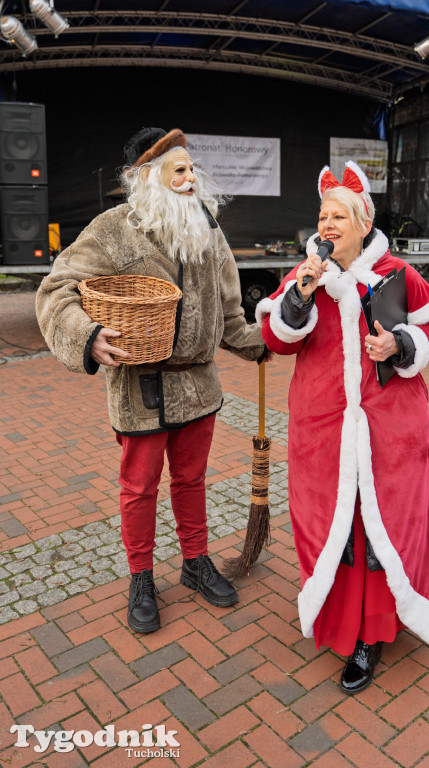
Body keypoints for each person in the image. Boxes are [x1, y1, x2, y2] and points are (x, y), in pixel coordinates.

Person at [36, 127, 265, 634]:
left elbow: (230, 318)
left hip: (199, 387)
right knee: (139, 488)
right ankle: (141, 576)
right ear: (147, 179)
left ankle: (194, 561)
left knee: (191, 480)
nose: (189, 178)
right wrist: (87, 335)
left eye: (190, 169)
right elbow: (56, 288)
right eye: (177, 170)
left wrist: (271, 340)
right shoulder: (116, 228)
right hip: (141, 389)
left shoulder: (208, 229)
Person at [256, 162, 429, 693]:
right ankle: (339, 618)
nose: (328, 224)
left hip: (392, 430)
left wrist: (399, 343)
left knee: (376, 527)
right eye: (322, 215)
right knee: (334, 528)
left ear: (363, 221)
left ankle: (373, 633)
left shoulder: (395, 271)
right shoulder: (307, 273)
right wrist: (300, 293)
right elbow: (277, 340)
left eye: (338, 214)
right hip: (324, 431)